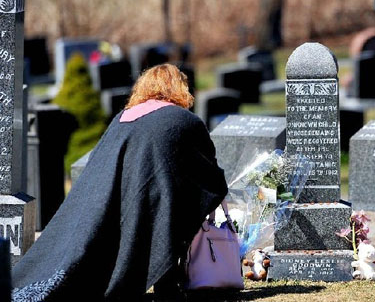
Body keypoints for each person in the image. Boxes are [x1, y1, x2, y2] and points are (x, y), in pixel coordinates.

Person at [12, 64, 228, 301]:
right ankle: (169, 283)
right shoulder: (185, 119)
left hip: (120, 198)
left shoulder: (122, 118)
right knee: (182, 207)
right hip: (159, 198)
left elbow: (98, 161)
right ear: (180, 88)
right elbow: (208, 170)